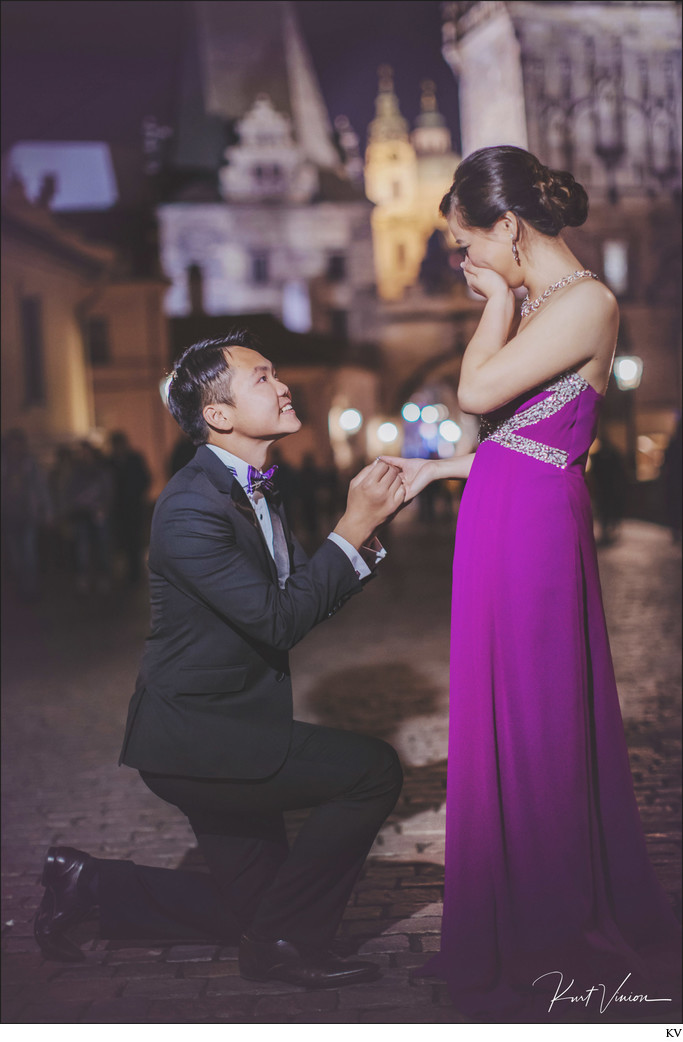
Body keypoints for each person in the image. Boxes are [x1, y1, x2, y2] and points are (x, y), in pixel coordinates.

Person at [382, 146, 680, 1020]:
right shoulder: (553, 303)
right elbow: (517, 434)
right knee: (501, 711)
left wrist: (500, 300)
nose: (463, 263)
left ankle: (551, 922)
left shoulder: (583, 300)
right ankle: (506, 914)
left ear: (507, 226)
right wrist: (436, 474)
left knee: (541, 714)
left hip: (534, 529)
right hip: (500, 512)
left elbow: (475, 390)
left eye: (464, 244)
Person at [34, 330, 405, 990]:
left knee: (254, 908)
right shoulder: (189, 508)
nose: (283, 384)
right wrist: (350, 530)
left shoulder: (253, 488)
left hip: (230, 725)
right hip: (198, 740)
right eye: (262, 377)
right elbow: (279, 620)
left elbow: (294, 599)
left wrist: (361, 536)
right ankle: (285, 947)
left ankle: (89, 885)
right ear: (219, 415)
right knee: (370, 772)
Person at [108, 431, 151, 585]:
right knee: (123, 542)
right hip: (119, 509)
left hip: (134, 506)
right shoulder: (110, 462)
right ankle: (129, 573)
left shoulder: (134, 459)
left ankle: (135, 573)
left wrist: (136, 493)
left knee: (135, 541)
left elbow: (145, 478)